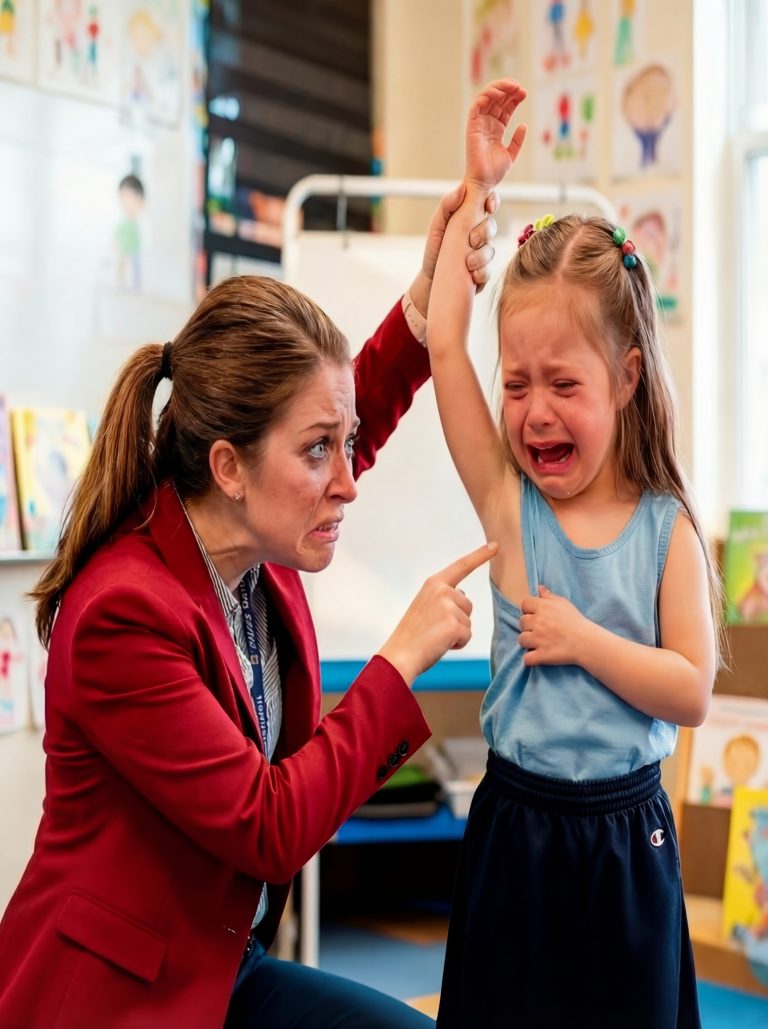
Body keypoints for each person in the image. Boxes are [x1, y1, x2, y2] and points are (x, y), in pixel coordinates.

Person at [0, 189, 499, 1029]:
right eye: (319, 451)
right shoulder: (123, 614)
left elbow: (348, 416)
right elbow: (269, 826)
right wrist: (399, 660)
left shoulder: (254, 530)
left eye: (345, 446)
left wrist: (423, 304)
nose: (346, 476)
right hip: (114, 998)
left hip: (223, 965)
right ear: (229, 466)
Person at [426, 80, 720, 1028]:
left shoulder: (667, 524)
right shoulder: (513, 509)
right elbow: (441, 349)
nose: (534, 409)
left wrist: (584, 638)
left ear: (627, 376)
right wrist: (477, 191)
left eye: (564, 382)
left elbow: (693, 688)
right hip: (518, 834)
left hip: (626, 840)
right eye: (517, 383)